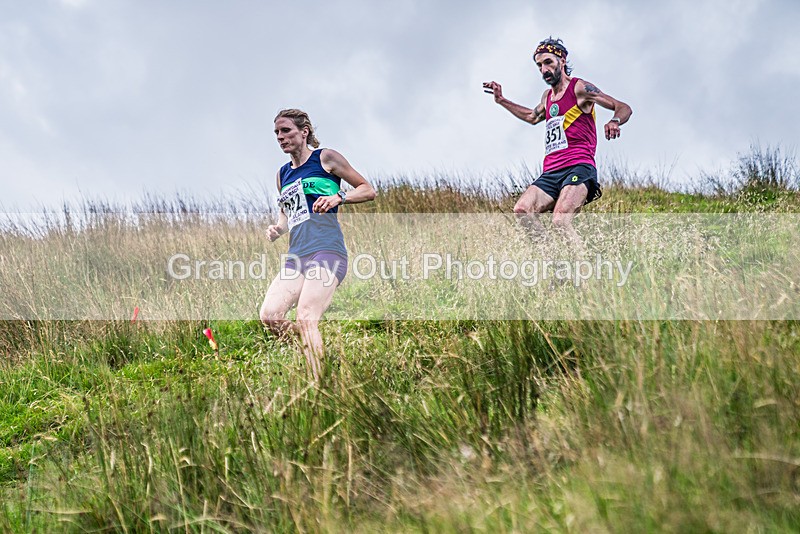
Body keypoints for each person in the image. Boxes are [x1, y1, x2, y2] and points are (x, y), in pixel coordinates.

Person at [260, 109, 376, 382]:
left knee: (306, 316)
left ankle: (320, 383)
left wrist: (339, 197)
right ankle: (315, 351)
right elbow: (289, 214)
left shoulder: (325, 158)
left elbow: (368, 189)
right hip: (296, 255)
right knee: (270, 316)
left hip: (327, 249)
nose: (280, 137)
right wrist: (278, 228)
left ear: (304, 132)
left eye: (286, 130)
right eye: (276, 133)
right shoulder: (282, 175)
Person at [483, 37, 632, 244]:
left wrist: (615, 121)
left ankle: (583, 274)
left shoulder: (580, 89)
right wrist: (502, 100)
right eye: (539, 66)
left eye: (548, 63)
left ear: (561, 61)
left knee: (561, 221)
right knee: (522, 210)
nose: (544, 70)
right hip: (551, 172)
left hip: (579, 167)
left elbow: (622, 106)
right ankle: (553, 259)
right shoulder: (547, 97)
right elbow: (532, 117)